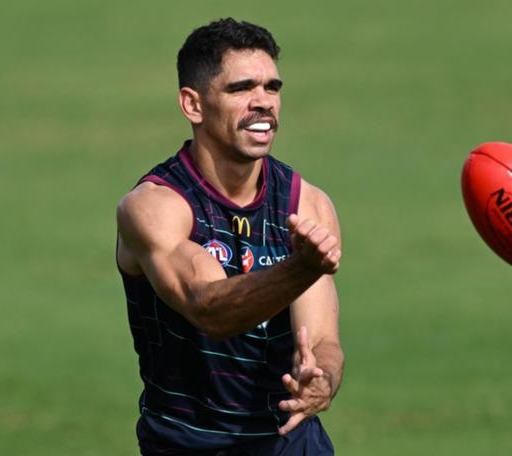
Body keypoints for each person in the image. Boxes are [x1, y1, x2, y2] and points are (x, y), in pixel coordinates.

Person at [115, 18, 344, 455]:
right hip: (188, 445)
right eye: (241, 89)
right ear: (193, 105)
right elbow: (210, 310)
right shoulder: (155, 207)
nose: (264, 103)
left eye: (272, 88)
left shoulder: (305, 204)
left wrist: (323, 380)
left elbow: (322, 340)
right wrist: (301, 267)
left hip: (290, 444)